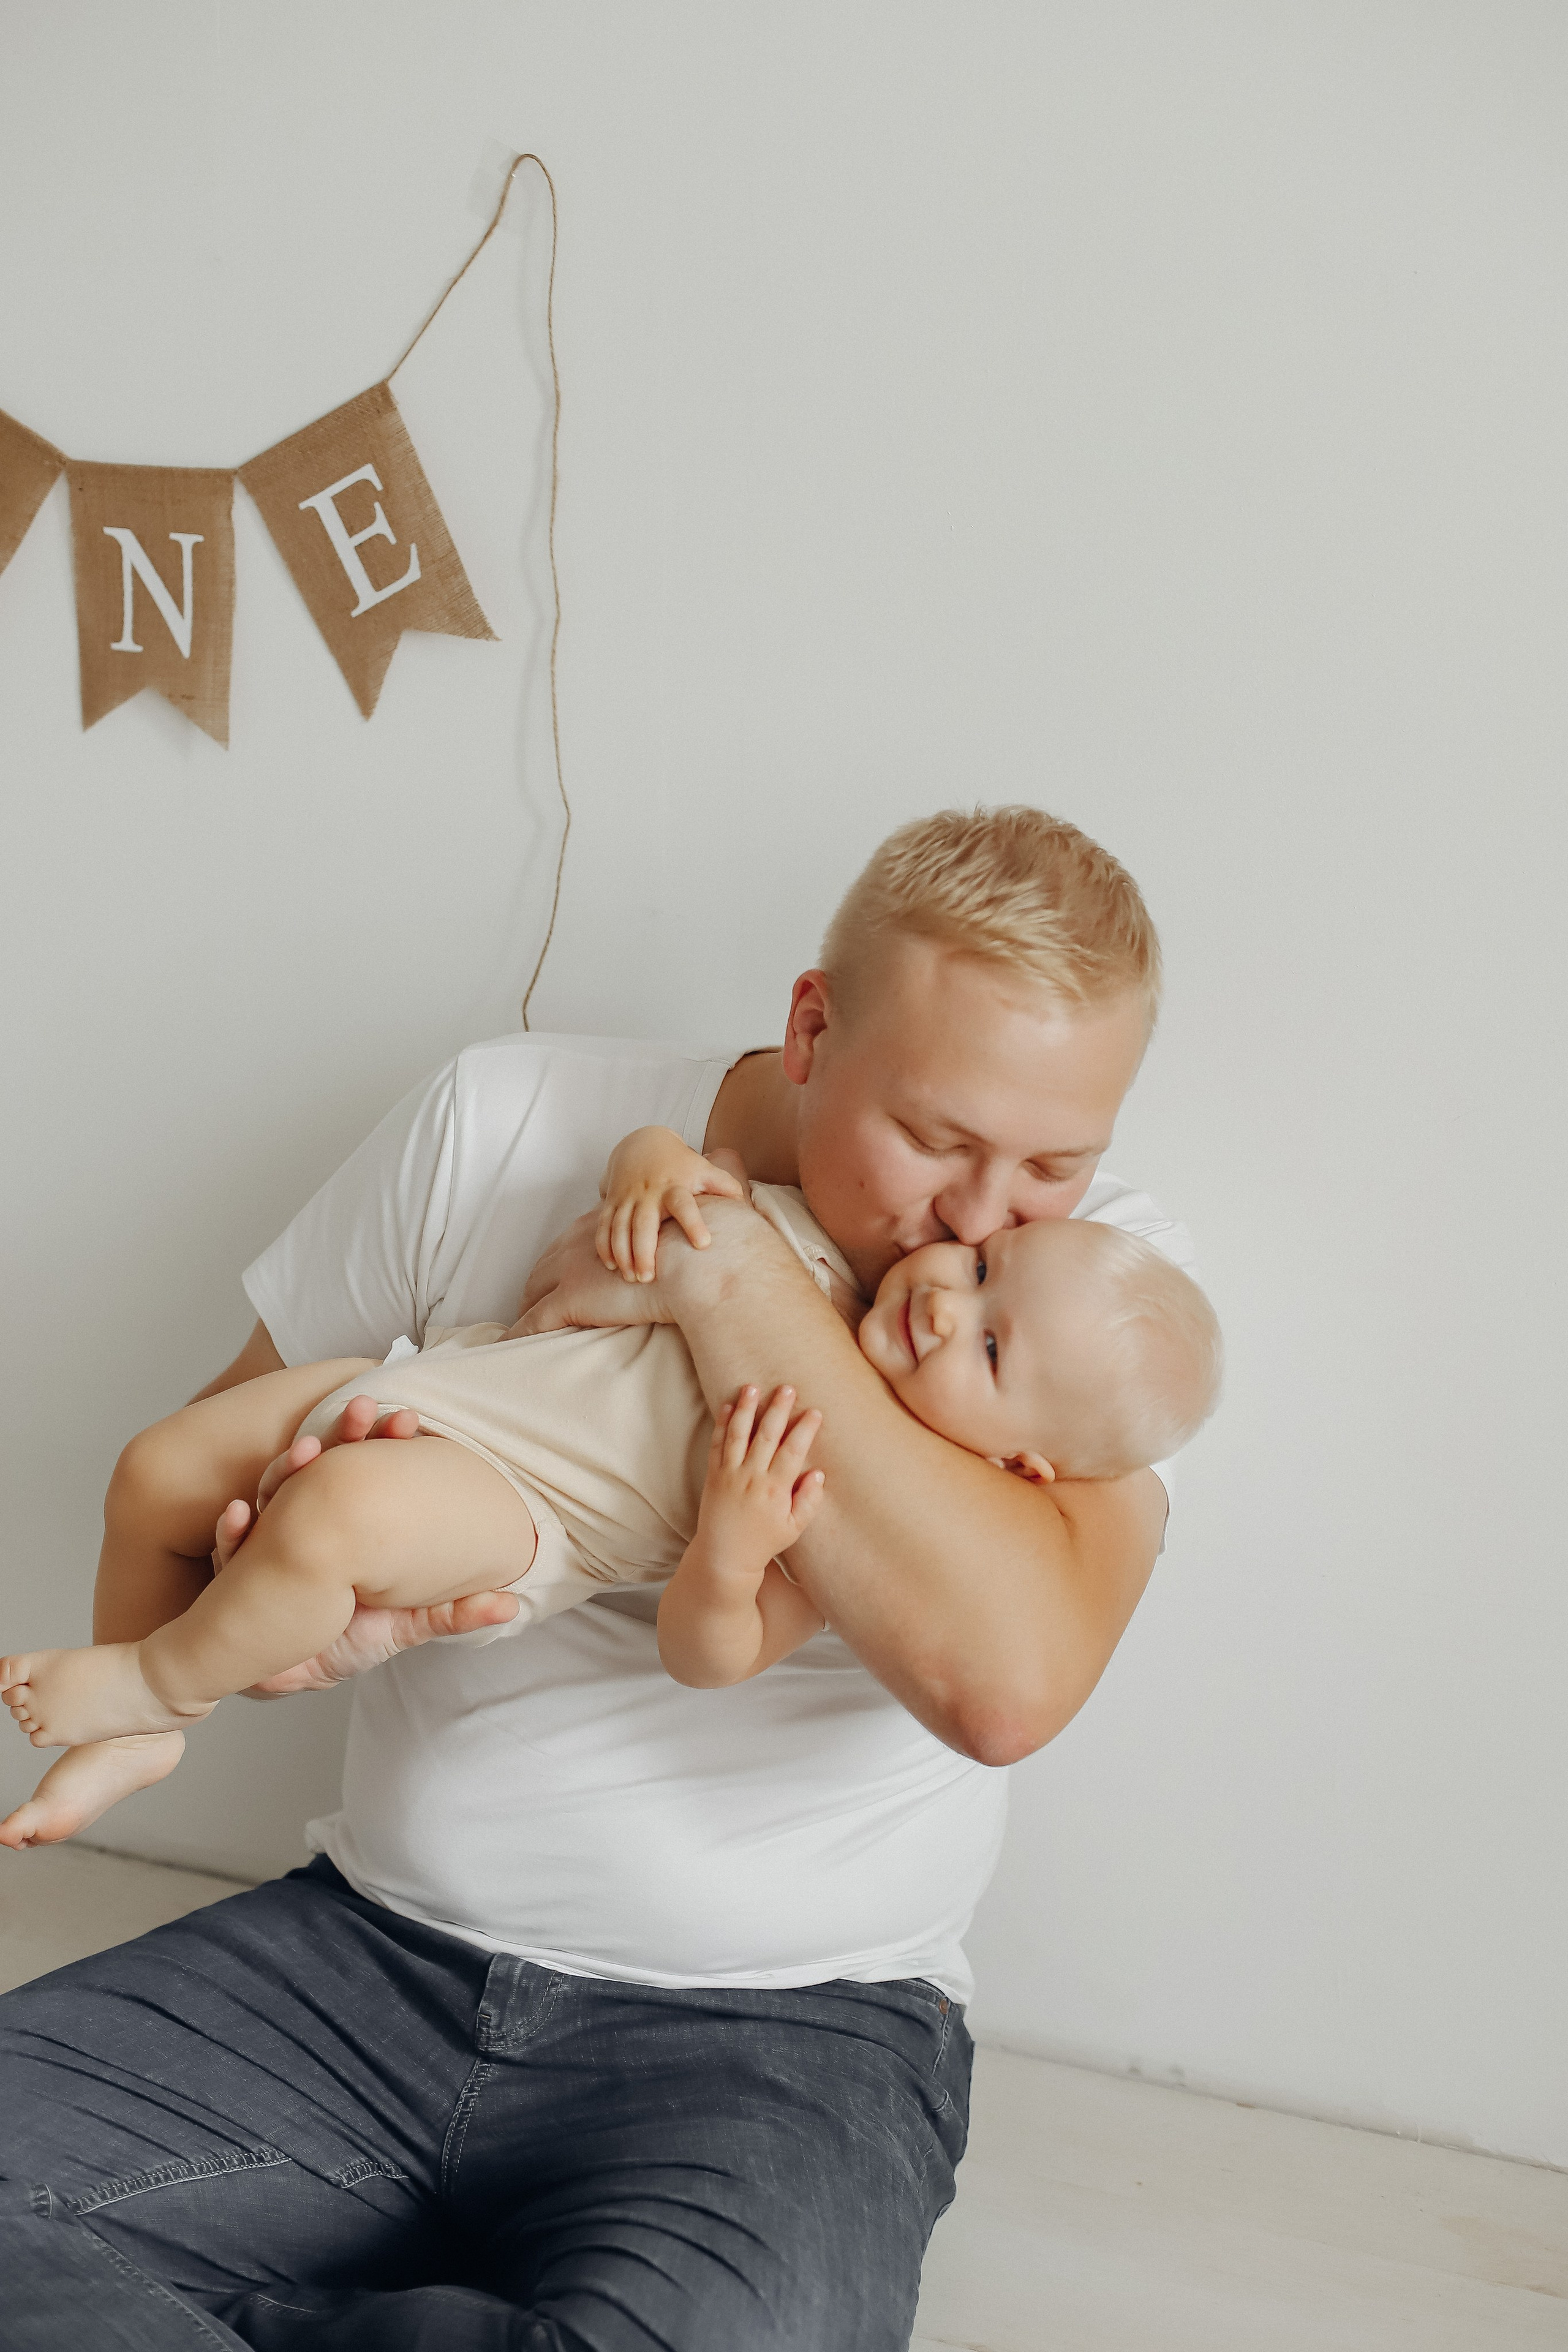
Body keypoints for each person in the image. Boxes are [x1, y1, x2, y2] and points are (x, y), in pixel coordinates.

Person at [0, 807, 1202, 2352]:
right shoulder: (506, 1117)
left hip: (783, 2036)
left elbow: (1005, 1682)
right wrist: (264, 1598)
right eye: (937, 1139)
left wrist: (719, 1279)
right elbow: (215, 1462)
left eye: (1052, 1161)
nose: (975, 1220)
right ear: (809, 1029)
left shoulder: (1086, 1310)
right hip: (364, 1959)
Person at [0, 1141, 1218, 1798]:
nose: (949, 1302)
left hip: (519, 1506)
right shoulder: (815, 1246)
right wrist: (646, 1176)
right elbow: (669, 1165)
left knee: (327, 1523)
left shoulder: (815, 1498)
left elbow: (709, 1655)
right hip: (439, 1378)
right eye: (983, 1270)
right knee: (157, 1466)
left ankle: (157, 1684)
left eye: (992, 1348)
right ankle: (138, 1734)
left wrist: (734, 1549)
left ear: (1017, 1459)